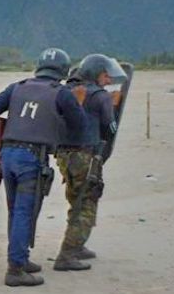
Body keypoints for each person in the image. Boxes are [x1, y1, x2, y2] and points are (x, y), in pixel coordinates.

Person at [0, 48, 87, 287]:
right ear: (62, 70)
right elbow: (79, 126)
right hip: (33, 157)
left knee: (15, 210)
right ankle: (16, 268)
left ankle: (20, 258)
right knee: (24, 212)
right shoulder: (61, 93)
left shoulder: (17, 86)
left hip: (8, 155)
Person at [53, 54, 125, 271]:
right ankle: (67, 254)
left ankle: (77, 244)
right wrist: (113, 108)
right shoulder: (101, 96)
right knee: (87, 203)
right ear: (97, 75)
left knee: (76, 199)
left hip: (64, 155)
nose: (108, 80)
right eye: (105, 76)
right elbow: (110, 128)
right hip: (85, 155)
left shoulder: (67, 92)